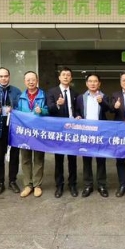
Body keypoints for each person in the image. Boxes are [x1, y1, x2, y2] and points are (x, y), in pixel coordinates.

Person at [74, 73, 111, 198]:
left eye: (95, 81)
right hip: (86, 132)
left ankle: (102, 185)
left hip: (100, 133)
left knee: (101, 160)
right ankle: (88, 185)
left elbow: (109, 109)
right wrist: (77, 116)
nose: (93, 83)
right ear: (86, 83)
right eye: (90, 81)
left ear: (99, 83)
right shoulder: (81, 97)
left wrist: (102, 102)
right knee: (87, 160)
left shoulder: (104, 96)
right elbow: (76, 110)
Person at [0, 67, 22, 195]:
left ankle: (12, 181)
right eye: (1, 76)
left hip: (14, 129)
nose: (3, 78)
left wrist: (14, 109)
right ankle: (0, 182)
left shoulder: (16, 91)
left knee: (14, 157)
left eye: (6, 76)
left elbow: (21, 107)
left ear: (9, 77)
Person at [46, 67, 78, 198]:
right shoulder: (52, 92)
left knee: (72, 159)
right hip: (58, 130)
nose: (65, 77)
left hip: (72, 129)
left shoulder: (75, 93)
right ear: (59, 77)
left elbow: (77, 109)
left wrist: (78, 115)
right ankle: (59, 185)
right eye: (63, 75)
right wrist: (58, 104)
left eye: (68, 75)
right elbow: (49, 108)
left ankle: (73, 184)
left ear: (71, 78)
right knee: (59, 159)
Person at [17, 71, 49, 198]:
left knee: (38, 159)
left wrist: (42, 110)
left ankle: (37, 185)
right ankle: (28, 185)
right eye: (28, 80)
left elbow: (49, 110)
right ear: (24, 82)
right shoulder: (21, 97)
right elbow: (17, 112)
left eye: (33, 80)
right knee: (25, 159)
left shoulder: (44, 95)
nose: (31, 82)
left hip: (38, 132)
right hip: (25, 132)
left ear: (37, 81)